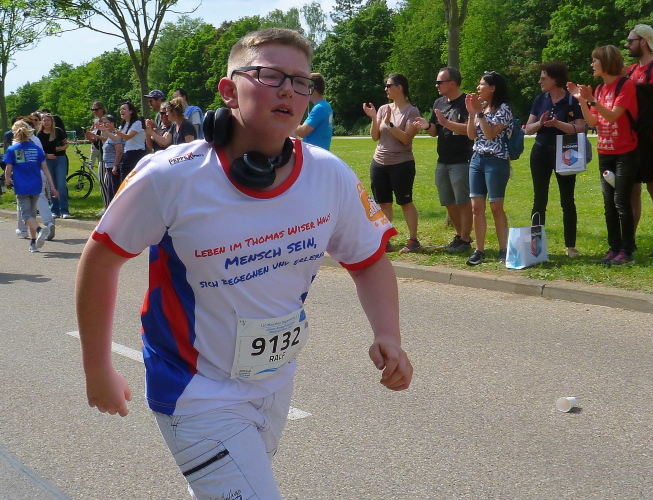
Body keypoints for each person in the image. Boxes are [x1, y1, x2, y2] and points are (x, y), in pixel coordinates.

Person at [75, 27, 413, 499]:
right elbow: (100, 261)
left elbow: (369, 261)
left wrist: (388, 334)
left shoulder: (328, 174)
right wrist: (97, 368)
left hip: (276, 381)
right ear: (229, 91)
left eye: (300, 81)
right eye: (270, 76)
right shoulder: (169, 177)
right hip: (194, 390)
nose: (288, 90)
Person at [568, 45, 639, 266]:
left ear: (606, 62)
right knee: (609, 204)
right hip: (605, 153)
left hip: (625, 153)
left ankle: (627, 251)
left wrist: (592, 100)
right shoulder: (599, 89)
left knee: (621, 202)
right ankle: (614, 248)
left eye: (595, 61)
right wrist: (582, 99)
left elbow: (613, 116)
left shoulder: (625, 86)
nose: (592, 65)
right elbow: (593, 122)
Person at [524, 62, 585, 258]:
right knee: (539, 199)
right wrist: (540, 123)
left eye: (544, 78)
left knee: (567, 199)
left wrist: (557, 124)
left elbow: (581, 128)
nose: (540, 81)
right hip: (540, 152)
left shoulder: (571, 100)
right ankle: (536, 247)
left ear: (555, 79)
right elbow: (527, 129)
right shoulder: (540, 99)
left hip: (566, 152)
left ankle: (571, 246)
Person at [413, 67, 474, 254]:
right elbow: (435, 132)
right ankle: (460, 236)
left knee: (463, 201)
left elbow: (470, 131)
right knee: (448, 201)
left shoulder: (467, 102)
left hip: (462, 160)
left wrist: (446, 122)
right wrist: (427, 126)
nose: (436, 85)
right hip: (443, 160)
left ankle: (465, 241)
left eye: (440, 82)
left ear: (452, 83)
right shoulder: (439, 102)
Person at [625, 24, 653, 257]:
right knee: (633, 189)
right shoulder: (631, 70)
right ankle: (629, 241)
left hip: (652, 136)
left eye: (630, 41)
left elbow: (652, 103)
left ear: (643, 41)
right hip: (632, 137)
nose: (627, 45)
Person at [363, 73, 422, 253]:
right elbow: (375, 137)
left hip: (401, 163)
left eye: (389, 86)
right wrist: (374, 118)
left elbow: (406, 138)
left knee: (405, 202)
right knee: (384, 203)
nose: (386, 89)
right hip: (379, 162)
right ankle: (385, 240)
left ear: (399, 87)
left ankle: (413, 240)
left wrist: (389, 124)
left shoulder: (412, 111)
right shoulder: (383, 109)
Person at [464, 71, 514, 266]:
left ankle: (503, 249)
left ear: (493, 88)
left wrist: (479, 114)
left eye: (482, 84)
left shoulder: (504, 109)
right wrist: (471, 114)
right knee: (476, 207)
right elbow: (471, 135)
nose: (478, 88)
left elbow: (490, 134)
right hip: (477, 159)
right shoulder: (482, 108)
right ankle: (479, 250)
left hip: (496, 160)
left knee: (496, 206)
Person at [3, 120, 58, 253]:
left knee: (26, 216)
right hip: (36, 185)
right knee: (32, 214)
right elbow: (45, 169)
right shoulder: (36, 149)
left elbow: (8, 168)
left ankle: (40, 230)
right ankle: (33, 243)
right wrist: (52, 187)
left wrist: (7, 180)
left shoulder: (12, 149)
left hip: (22, 186)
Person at [13, 115, 55, 240]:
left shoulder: (17, 143)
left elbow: (19, 161)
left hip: (24, 176)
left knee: (23, 203)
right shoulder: (36, 140)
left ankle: (23, 229)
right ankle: (48, 222)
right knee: (41, 198)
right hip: (39, 172)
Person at [37, 113, 70, 218]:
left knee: (61, 184)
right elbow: (38, 150)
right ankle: (54, 210)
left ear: (52, 122)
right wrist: (47, 155)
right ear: (42, 122)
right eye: (44, 120)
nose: (46, 122)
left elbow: (66, 144)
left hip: (60, 159)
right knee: (52, 185)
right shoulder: (40, 134)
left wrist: (61, 148)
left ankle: (64, 210)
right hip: (47, 161)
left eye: (48, 120)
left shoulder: (58, 131)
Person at [111, 102, 146, 191]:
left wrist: (114, 130)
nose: (121, 111)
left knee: (136, 180)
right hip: (127, 154)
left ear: (130, 111)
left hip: (137, 154)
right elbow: (115, 138)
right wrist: (105, 130)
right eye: (120, 109)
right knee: (124, 180)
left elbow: (127, 137)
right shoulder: (124, 124)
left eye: (124, 109)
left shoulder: (137, 123)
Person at [295, 73, 334, 150]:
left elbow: (302, 132)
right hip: (321, 152)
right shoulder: (326, 106)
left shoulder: (319, 108)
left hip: (314, 153)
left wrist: (289, 119)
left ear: (312, 88)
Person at [94, 114, 124, 209]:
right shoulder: (110, 136)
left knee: (114, 192)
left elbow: (119, 151)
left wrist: (115, 165)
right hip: (109, 167)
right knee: (110, 191)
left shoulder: (116, 135)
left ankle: (117, 212)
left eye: (106, 123)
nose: (104, 125)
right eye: (103, 123)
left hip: (114, 168)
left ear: (112, 123)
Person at [84, 101, 108, 216]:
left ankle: (108, 207)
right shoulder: (96, 122)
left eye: (96, 109)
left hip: (108, 153)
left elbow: (109, 137)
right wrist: (90, 137)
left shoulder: (107, 120)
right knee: (102, 182)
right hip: (101, 151)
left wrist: (96, 136)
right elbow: (96, 142)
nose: (94, 112)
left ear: (102, 109)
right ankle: (106, 205)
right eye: (92, 110)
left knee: (105, 182)